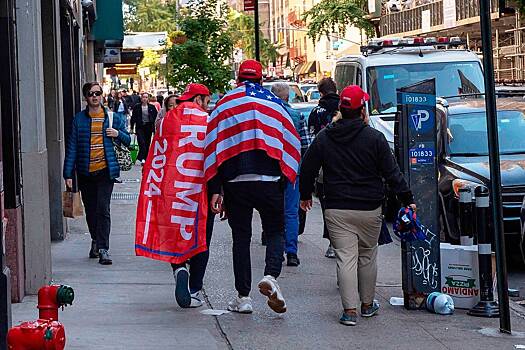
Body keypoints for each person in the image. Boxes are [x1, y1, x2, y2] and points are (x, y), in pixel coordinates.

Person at [300, 85, 416, 326]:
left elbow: (308, 167)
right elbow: (392, 173)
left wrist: (305, 195)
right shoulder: (375, 138)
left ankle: (349, 311)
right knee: (367, 256)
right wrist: (407, 199)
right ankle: (367, 304)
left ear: (341, 109)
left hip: (337, 207)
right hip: (369, 208)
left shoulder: (325, 137)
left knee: (345, 257)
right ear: (362, 110)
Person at [204, 59, 301, 314]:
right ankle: (271, 275)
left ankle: (243, 296)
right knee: (275, 230)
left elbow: (213, 146)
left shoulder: (226, 104)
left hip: (236, 182)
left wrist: (216, 188)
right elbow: (289, 139)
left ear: (238, 78)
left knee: (241, 238)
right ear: (261, 79)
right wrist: (284, 176)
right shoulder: (275, 104)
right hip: (269, 180)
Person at [63, 82, 131, 265]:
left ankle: (103, 248)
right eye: (91, 94)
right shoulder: (79, 120)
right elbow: (72, 148)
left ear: (102, 95)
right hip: (85, 172)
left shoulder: (113, 118)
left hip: (105, 172)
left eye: (98, 93)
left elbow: (129, 141)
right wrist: (67, 173)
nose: (95, 96)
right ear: (86, 97)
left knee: (103, 209)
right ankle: (95, 239)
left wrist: (117, 133)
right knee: (91, 211)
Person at [166, 84, 218, 309]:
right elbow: (215, 159)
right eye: (206, 101)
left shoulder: (168, 120)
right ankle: (195, 289)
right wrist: (218, 190)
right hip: (202, 192)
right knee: (201, 240)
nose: (208, 106)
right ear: (199, 99)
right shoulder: (207, 123)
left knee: (175, 234)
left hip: (174, 190)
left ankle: (178, 267)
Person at [307, 77, 340, 259]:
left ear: (320, 92)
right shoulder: (345, 107)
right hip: (347, 162)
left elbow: (313, 141)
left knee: (328, 206)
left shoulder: (316, 111)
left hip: (325, 165)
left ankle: (332, 242)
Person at [271, 83, 302, 267]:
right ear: (288, 97)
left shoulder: (268, 115)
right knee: (291, 212)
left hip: (273, 169)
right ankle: (291, 252)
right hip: (293, 169)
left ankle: (276, 249)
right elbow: (304, 145)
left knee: (275, 211)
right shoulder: (297, 116)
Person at [131, 92, 158, 164]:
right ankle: (141, 157)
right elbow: (133, 117)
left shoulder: (152, 107)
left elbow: (156, 117)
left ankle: (144, 158)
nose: (145, 99)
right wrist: (131, 127)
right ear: (141, 98)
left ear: (148, 98)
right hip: (140, 126)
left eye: (146, 97)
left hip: (148, 127)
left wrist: (156, 128)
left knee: (147, 143)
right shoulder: (137, 107)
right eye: (143, 97)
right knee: (141, 143)